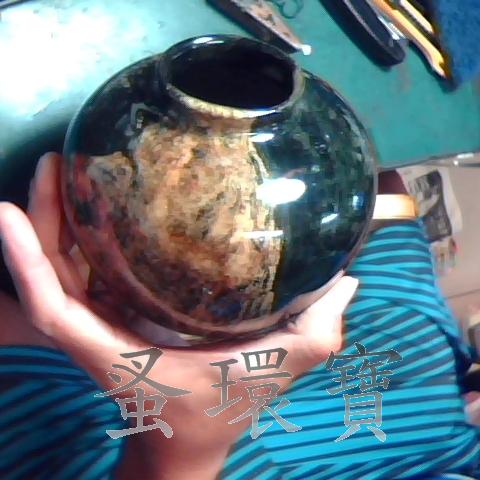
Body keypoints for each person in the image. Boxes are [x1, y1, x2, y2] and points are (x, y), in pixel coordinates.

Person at [0, 153, 478, 480]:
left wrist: (183, 451)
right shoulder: (427, 356)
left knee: (49, 310)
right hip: (427, 409)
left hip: (138, 440)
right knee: (366, 183)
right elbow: (384, 197)